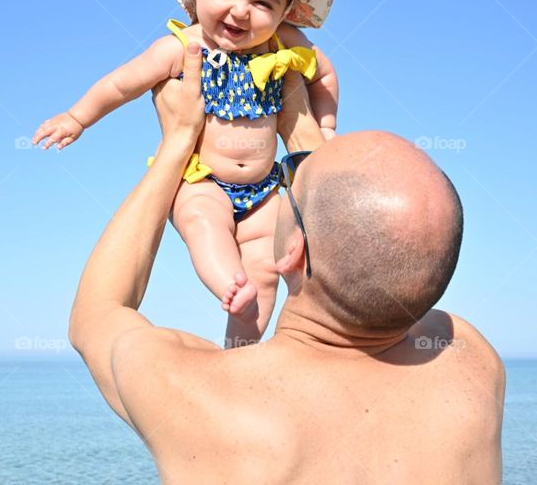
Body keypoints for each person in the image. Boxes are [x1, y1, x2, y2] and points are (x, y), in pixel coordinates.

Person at [68, 44, 506, 484]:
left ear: (292, 248)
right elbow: (384, 256)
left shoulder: (199, 396)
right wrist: (297, 108)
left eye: (288, 182)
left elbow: (96, 314)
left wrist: (177, 143)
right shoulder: (469, 360)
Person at [33, 0, 339, 346]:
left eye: (262, 2)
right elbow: (122, 85)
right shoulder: (178, 48)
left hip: (265, 187)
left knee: (269, 268)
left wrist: (326, 128)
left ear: (286, 10)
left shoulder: (285, 44)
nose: (241, 11)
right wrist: (77, 117)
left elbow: (325, 74)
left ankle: (241, 350)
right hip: (201, 180)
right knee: (201, 224)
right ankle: (228, 284)